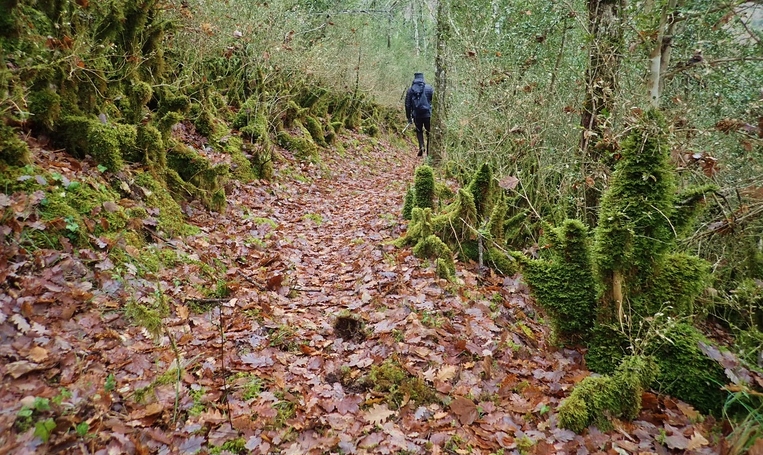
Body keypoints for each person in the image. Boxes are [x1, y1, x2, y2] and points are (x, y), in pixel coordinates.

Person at [405, 72, 434, 157]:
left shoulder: (410, 90)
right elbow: (434, 102)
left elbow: (407, 105)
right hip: (428, 115)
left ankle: (421, 146)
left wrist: (409, 117)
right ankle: (429, 152)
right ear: (423, 78)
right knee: (429, 133)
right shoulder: (429, 88)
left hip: (417, 115)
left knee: (419, 131)